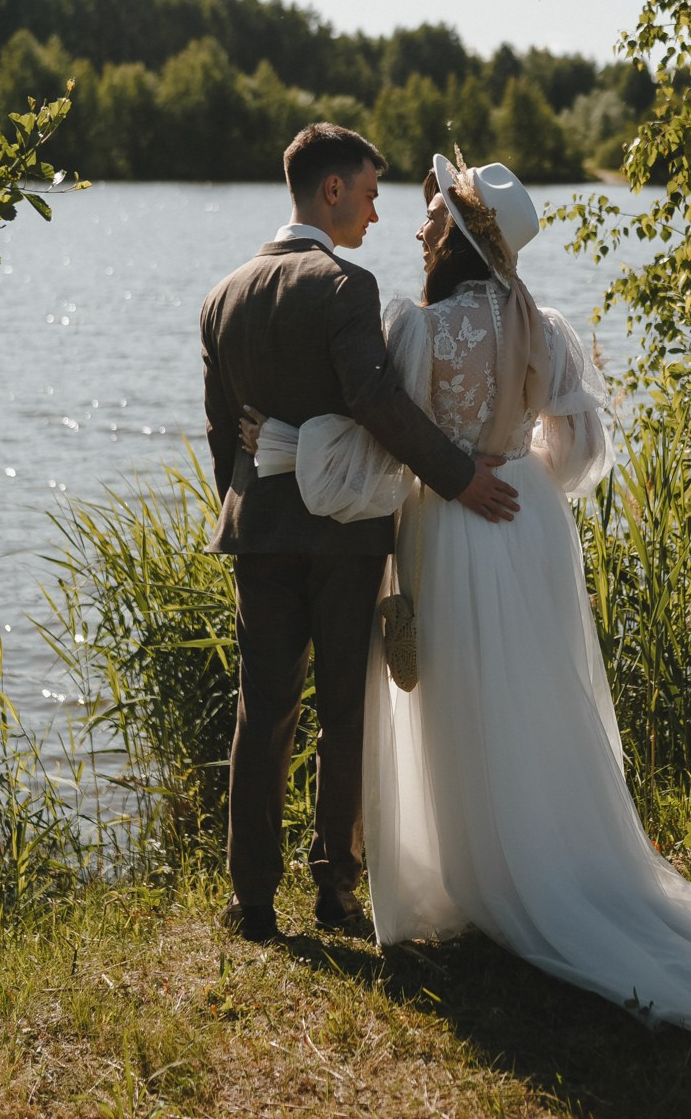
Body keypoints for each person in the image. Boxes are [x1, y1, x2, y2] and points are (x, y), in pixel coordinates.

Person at [240, 150, 691, 1068]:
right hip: (528, 521)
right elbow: (578, 446)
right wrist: (516, 466)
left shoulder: (421, 327)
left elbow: (387, 442)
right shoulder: (543, 325)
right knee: (530, 696)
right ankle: (542, 855)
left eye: (436, 216)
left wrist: (282, 444)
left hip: (456, 524)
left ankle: (475, 875)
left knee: (461, 697)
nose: (421, 226)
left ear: (461, 239)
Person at [200, 124, 519, 945]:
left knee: (262, 708)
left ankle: (253, 902)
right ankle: (336, 891)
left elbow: (221, 436)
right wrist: (458, 474)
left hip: (258, 532)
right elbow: (376, 404)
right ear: (332, 190)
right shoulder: (345, 287)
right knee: (345, 711)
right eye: (371, 194)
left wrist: (248, 507)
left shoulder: (222, 295)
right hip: (344, 537)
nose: (378, 214)